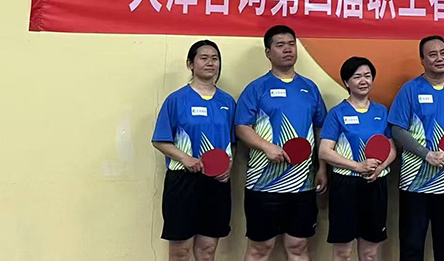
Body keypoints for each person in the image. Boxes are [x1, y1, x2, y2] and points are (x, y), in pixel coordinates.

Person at [234, 25, 328, 261]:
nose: (287, 49)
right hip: (262, 185)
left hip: (303, 184)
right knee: (260, 248)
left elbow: (320, 130)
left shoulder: (310, 88)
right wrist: (267, 147)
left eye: (291, 44)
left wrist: (322, 168)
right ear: (268, 52)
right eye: (280, 45)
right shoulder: (256, 88)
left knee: (298, 246)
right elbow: (242, 127)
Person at [388, 35, 444, 261]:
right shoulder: (410, 90)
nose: (439, 58)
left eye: (443, 53)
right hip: (414, 184)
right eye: (432, 54)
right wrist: (426, 155)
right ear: (422, 60)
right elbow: (397, 129)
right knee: (411, 246)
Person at [152, 40, 236, 261]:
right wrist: (185, 158)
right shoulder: (176, 100)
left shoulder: (227, 102)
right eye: (204, 58)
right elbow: (160, 140)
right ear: (190, 64)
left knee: (207, 251)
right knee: (181, 252)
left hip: (217, 183)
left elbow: (232, 143)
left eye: (215, 59)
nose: (210, 63)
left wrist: (229, 166)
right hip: (183, 182)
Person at [319, 56, 397, 261]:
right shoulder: (337, 113)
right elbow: (325, 151)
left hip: (375, 184)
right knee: (343, 253)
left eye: (367, 76)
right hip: (345, 185)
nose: (363, 81)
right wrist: (357, 166)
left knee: (370, 253)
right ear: (346, 82)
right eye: (357, 76)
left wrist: (379, 168)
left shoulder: (381, 111)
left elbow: (391, 149)